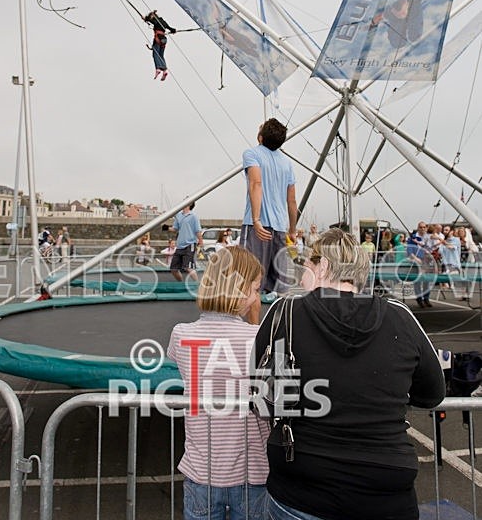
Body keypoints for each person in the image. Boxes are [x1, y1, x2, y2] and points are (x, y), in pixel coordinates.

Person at [253, 227, 446, 520]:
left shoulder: (286, 314)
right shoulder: (400, 317)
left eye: (306, 265)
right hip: (386, 486)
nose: (302, 273)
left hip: (302, 484)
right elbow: (432, 394)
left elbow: (265, 397)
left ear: (323, 267)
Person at [167, 246, 269, 520]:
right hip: (252, 472)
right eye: (256, 289)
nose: (258, 296)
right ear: (243, 290)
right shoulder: (259, 338)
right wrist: (255, 321)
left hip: (202, 471)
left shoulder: (182, 334)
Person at [240, 118, 297, 293]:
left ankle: (252, 322)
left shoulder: (252, 154)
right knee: (282, 286)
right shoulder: (287, 163)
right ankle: (284, 320)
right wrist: (293, 231)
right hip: (279, 229)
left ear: (260, 137)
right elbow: (292, 201)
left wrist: (256, 219)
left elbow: (256, 184)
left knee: (250, 284)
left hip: (257, 228)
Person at [170, 201, 203, 282]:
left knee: (188, 268)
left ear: (190, 204)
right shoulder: (179, 215)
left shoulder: (193, 216)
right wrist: (163, 227)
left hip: (190, 244)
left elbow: (198, 231)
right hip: (180, 245)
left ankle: (198, 286)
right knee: (173, 269)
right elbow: (175, 228)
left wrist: (201, 242)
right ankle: (181, 284)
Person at [407, 221, 435, 308]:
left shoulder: (429, 237)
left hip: (426, 261)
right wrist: (415, 258)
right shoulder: (412, 237)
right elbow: (409, 250)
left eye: (424, 227)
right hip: (416, 260)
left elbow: (432, 248)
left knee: (427, 280)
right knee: (418, 281)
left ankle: (426, 298)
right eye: (421, 227)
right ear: (418, 228)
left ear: (426, 228)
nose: (422, 229)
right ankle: (419, 298)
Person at [144, 10, 176, 81]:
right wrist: (173, 30)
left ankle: (158, 68)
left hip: (158, 38)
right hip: (164, 40)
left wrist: (146, 19)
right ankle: (164, 70)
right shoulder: (163, 21)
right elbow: (170, 28)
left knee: (155, 54)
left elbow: (153, 21)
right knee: (161, 55)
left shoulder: (156, 20)